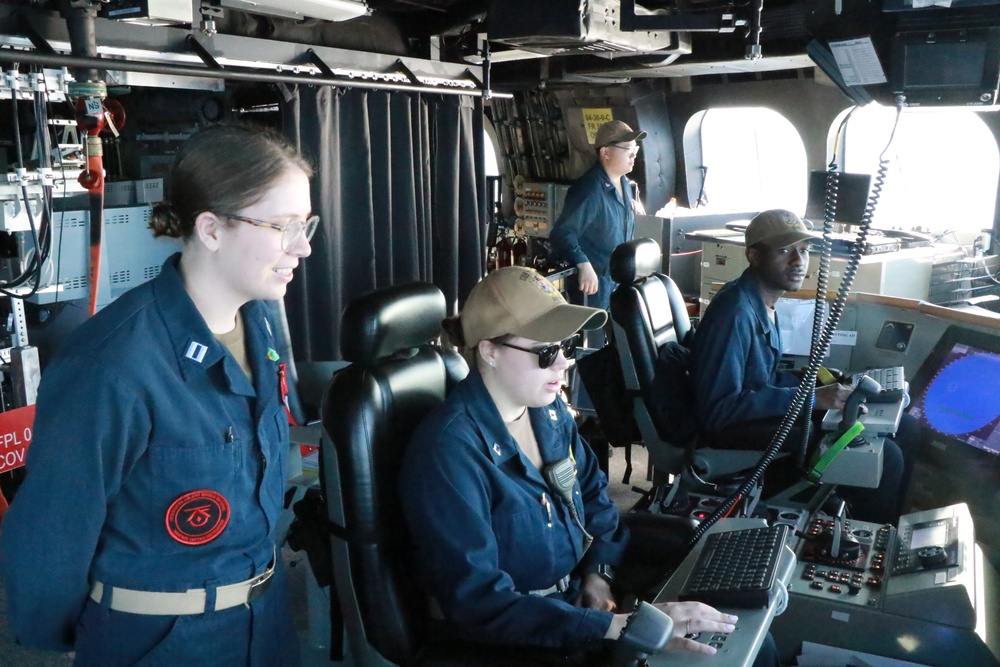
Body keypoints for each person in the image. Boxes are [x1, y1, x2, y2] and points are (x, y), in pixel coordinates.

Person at [0, 124, 316, 666]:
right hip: (161, 640)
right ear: (212, 229)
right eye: (282, 226)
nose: (303, 247)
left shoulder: (259, 325)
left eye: (306, 224)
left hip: (265, 622)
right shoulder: (113, 364)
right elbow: (52, 537)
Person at [399, 266, 779, 665]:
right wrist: (616, 628)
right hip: (520, 635)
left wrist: (599, 572)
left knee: (751, 639)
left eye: (567, 346)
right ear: (489, 351)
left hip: (578, 597)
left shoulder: (546, 412)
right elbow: (478, 602)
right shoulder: (450, 452)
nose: (563, 364)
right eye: (546, 352)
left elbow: (595, 493)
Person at [690, 209, 920, 525]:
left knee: (907, 427)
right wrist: (813, 399)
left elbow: (763, 377)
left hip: (765, 414)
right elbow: (719, 409)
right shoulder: (734, 314)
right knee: (886, 458)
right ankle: (870, 548)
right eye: (785, 251)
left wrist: (821, 382)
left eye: (804, 250)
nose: (799, 261)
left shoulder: (763, 301)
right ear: (754, 255)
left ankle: (885, 533)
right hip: (741, 432)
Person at [550, 119, 646, 312]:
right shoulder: (589, 190)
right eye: (627, 148)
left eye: (635, 148)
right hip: (593, 284)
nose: (634, 154)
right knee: (592, 341)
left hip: (618, 280)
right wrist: (583, 264)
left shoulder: (625, 184)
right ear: (606, 152)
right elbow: (561, 233)